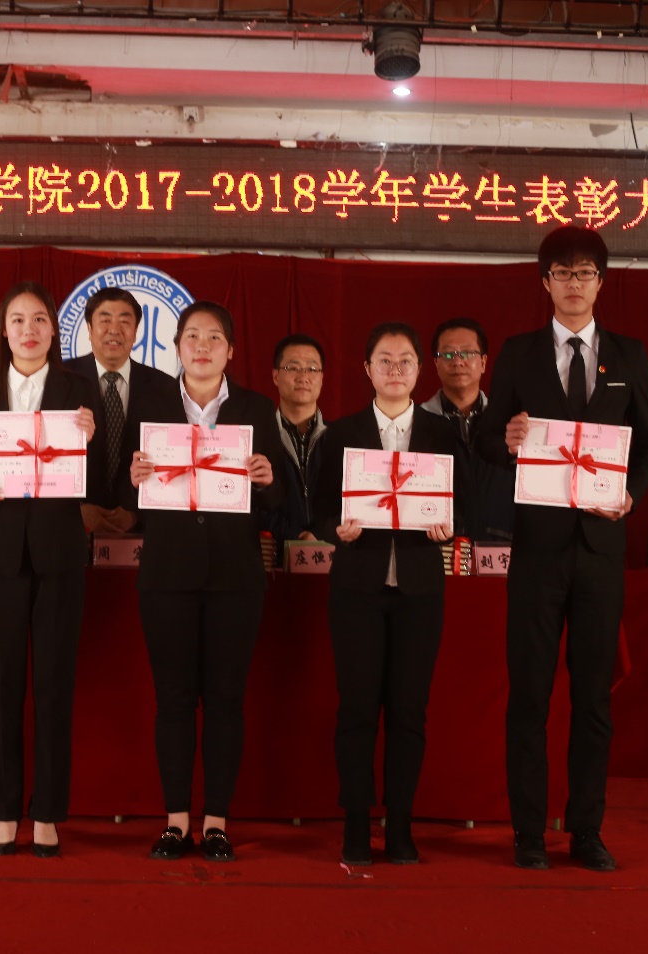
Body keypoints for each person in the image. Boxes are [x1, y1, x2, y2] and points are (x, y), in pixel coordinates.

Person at [478, 226, 648, 872]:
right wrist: (508, 438)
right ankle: (529, 833)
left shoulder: (629, 355)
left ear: (601, 283)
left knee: (593, 699)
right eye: (563, 272)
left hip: (600, 550)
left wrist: (631, 495)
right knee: (529, 696)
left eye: (586, 273)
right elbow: (485, 438)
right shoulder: (519, 353)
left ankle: (587, 831)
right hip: (536, 550)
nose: (575, 283)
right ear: (546, 283)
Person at [128, 300, 285, 863]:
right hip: (167, 574)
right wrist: (133, 477)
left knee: (225, 700)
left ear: (230, 350)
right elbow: (120, 492)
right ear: (176, 347)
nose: (201, 345)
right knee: (172, 700)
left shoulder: (256, 408)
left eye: (213, 336)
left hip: (234, 577)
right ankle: (175, 822)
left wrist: (266, 479)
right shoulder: (148, 405)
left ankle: (216, 821)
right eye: (191, 335)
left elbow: (281, 500)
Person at [0, 281, 99, 859]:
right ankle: (5, 811)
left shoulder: (78, 391)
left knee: (55, 687)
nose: (29, 329)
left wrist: (92, 440)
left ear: (53, 330)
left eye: (39, 319)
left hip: (60, 554)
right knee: (3, 686)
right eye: (18, 320)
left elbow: (105, 474)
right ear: (4, 330)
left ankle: (48, 814)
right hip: (0, 556)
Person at [313, 323, 456, 866]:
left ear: (421, 370)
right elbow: (319, 510)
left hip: (420, 589)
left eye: (405, 361)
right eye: (385, 360)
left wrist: (449, 528)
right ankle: (355, 823)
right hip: (357, 588)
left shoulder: (442, 435)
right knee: (355, 709)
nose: (395, 369)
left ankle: (400, 826)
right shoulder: (340, 434)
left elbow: (462, 504)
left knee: (409, 713)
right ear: (367, 369)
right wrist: (336, 530)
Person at [66, 287, 178, 534]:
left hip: (141, 532)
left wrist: (136, 513)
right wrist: (75, 511)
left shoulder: (164, 388)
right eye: (105, 320)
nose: (114, 330)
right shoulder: (60, 380)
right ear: (89, 328)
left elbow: (173, 463)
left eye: (125, 322)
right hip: (71, 530)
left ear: (136, 331)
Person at [421, 317, 514, 542]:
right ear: (436, 363)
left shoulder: (510, 424)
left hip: (500, 547)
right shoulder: (417, 423)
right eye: (448, 354)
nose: (458, 361)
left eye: (468, 353)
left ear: (483, 362)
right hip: (438, 546)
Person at [264, 333, 328, 541]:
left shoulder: (339, 437)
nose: (303, 376)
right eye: (292, 368)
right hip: (273, 552)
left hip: (330, 552)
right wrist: (296, 535)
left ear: (321, 378)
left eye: (312, 369)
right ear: (275, 376)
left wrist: (319, 535)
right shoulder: (260, 437)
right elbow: (253, 503)